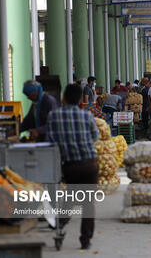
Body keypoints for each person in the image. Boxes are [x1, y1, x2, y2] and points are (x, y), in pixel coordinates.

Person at [47, 84, 99, 250]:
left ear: (63, 98)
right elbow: (95, 136)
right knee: (88, 203)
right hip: (89, 164)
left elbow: (52, 141)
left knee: (70, 196)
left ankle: (60, 223)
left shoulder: (53, 116)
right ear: (79, 100)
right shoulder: (87, 116)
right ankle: (85, 240)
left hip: (70, 166)